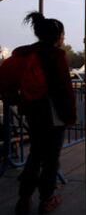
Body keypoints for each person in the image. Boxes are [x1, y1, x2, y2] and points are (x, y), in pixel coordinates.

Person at [14, 12, 76, 214]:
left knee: (35, 154)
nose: (64, 39)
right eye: (63, 35)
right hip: (53, 114)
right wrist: (70, 116)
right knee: (51, 159)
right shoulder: (56, 55)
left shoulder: (24, 53)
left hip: (33, 111)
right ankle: (47, 198)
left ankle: (24, 198)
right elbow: (64, 89)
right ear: (57, 36)